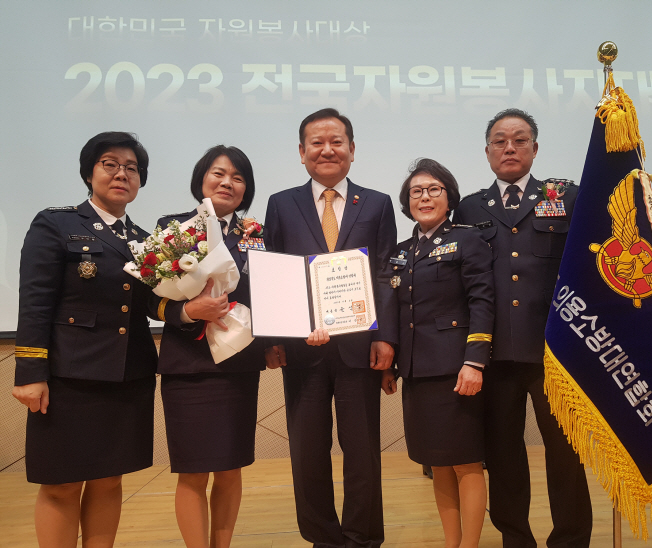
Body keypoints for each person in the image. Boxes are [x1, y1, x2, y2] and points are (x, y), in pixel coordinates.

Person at [11, 131, 191, 548]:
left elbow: (151, 303)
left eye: (131, 168)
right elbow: (35, 300)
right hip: (69, 376)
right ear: (89, 172)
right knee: (61, 484)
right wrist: (30, 371)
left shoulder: (145, 240)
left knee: (109, 480)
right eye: (109, 164)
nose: (121, 173)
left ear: (140, 181)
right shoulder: (56, 223)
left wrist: (187, 312)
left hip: (128, 374)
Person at [453, 109, 593, 548]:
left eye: (519, 140)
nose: (509, 148)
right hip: (494, 358)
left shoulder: (566, 197)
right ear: (488, 151)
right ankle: (515, 537)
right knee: (504, 457)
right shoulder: (470, 206)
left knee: (566, 456)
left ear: (535, 148)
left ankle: (570, 539)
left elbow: (589, 264)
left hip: (555, 356)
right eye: (500, 141)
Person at [263, 108, 398, 548]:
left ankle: (362, 537)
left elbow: (384, 273)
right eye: (316, 143)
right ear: (302, 153)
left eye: (336, 141)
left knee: (362, 454)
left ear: (352, 150)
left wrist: (385, 335)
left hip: (360, 349)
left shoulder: (376, 203)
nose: (327, 150)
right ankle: (322, 538)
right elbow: (274, 275)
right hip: (303, 351)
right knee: (307, 453)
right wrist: (277, 338)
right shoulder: (282, 203)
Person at [156, 145, 267, 548]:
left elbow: (269, 297)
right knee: (192, 470)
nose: (227, 182)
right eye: (218, 174)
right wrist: (189, 310)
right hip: (188, 365)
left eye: (238, 177)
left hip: (238, 365)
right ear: (201, 180)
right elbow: (151, 299)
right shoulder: (172, 229)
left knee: (231, 467)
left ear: (246, 189)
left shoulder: (258, 235)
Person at [381, 158, 495, 548]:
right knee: (438, 463)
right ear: (406, 201)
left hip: (455, 369)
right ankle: (452, 542)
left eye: (434, 189)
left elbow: (483, 301)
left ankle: (470, 544)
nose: (425, 197)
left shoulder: (468, 240)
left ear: (449, 197)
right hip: (416, 371)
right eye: (417, 191)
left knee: (465, 461)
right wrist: (391, 365)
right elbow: (394, 311)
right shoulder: (399, 251)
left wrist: (474, 361)